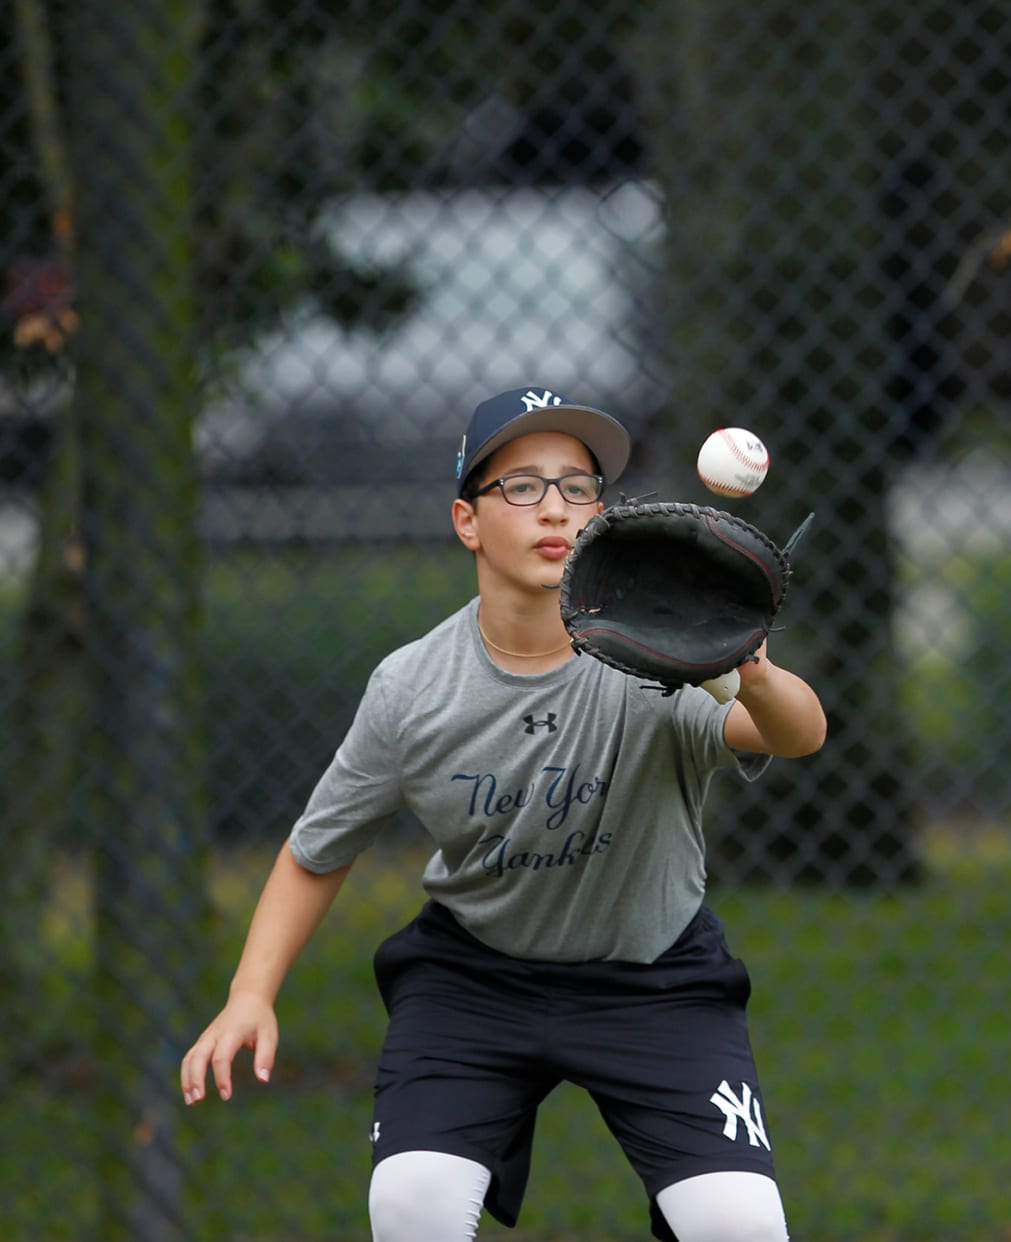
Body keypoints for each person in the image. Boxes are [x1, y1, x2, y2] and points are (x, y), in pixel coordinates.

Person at [180, 386, 825, 1242]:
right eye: (520, 486)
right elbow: (315, 852)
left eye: (578, 486)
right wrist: (249, 995)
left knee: (738, 1224)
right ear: (466, 521)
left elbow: (796, 733)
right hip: (474, 981)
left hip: (654, 979)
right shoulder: (412, 688)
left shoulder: (658, 655)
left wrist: (753, 670)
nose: (553, 507)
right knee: (410, 1203)